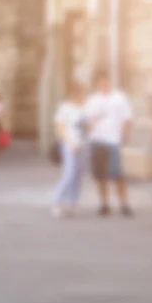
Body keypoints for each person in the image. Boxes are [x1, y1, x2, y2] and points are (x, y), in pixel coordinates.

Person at [84, 70, 134, 217]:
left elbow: (128, 119)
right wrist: (91, 123)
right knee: (100, 175)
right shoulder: (92, 100)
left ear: (109, 81)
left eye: (105, 81)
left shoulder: (119, 98)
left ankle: (124, 204)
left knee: (117, 174)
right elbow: (87, 122)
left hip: (113, 140)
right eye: (99, 82)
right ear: (96, 84)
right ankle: (104, 204)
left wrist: (124, 136)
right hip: (96, 140)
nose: (103, 84)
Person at [51, 83, 88, 217]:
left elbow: (86, 127)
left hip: (83, 145)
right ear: (73, 94)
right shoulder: (64, 108)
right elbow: (59, 129)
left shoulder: (83, 109)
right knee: (69, 174)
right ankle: (56, 201)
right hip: (70, 146)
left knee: (78, 175)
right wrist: (70, 143)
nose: (81, 96)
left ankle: (73, 203)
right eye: (79, 93)